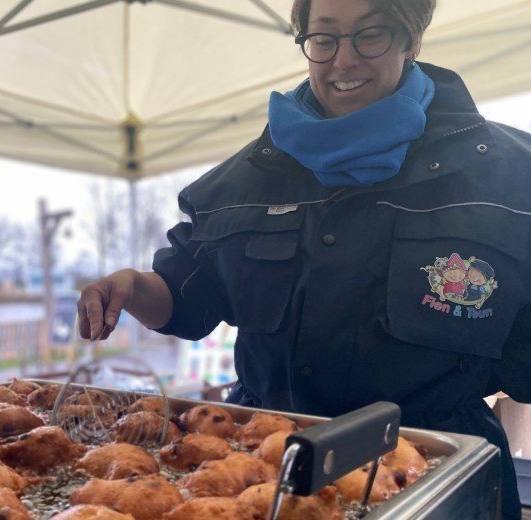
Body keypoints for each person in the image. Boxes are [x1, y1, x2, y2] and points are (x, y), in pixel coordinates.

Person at [77, 0, 531, 517]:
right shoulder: (246, 179)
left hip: (435, 481)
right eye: (324, 38)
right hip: (266, 473)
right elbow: (188, 298)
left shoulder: (510, 179)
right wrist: (135, 288)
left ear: (412, 39)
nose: (343, 60)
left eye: (371, 35)